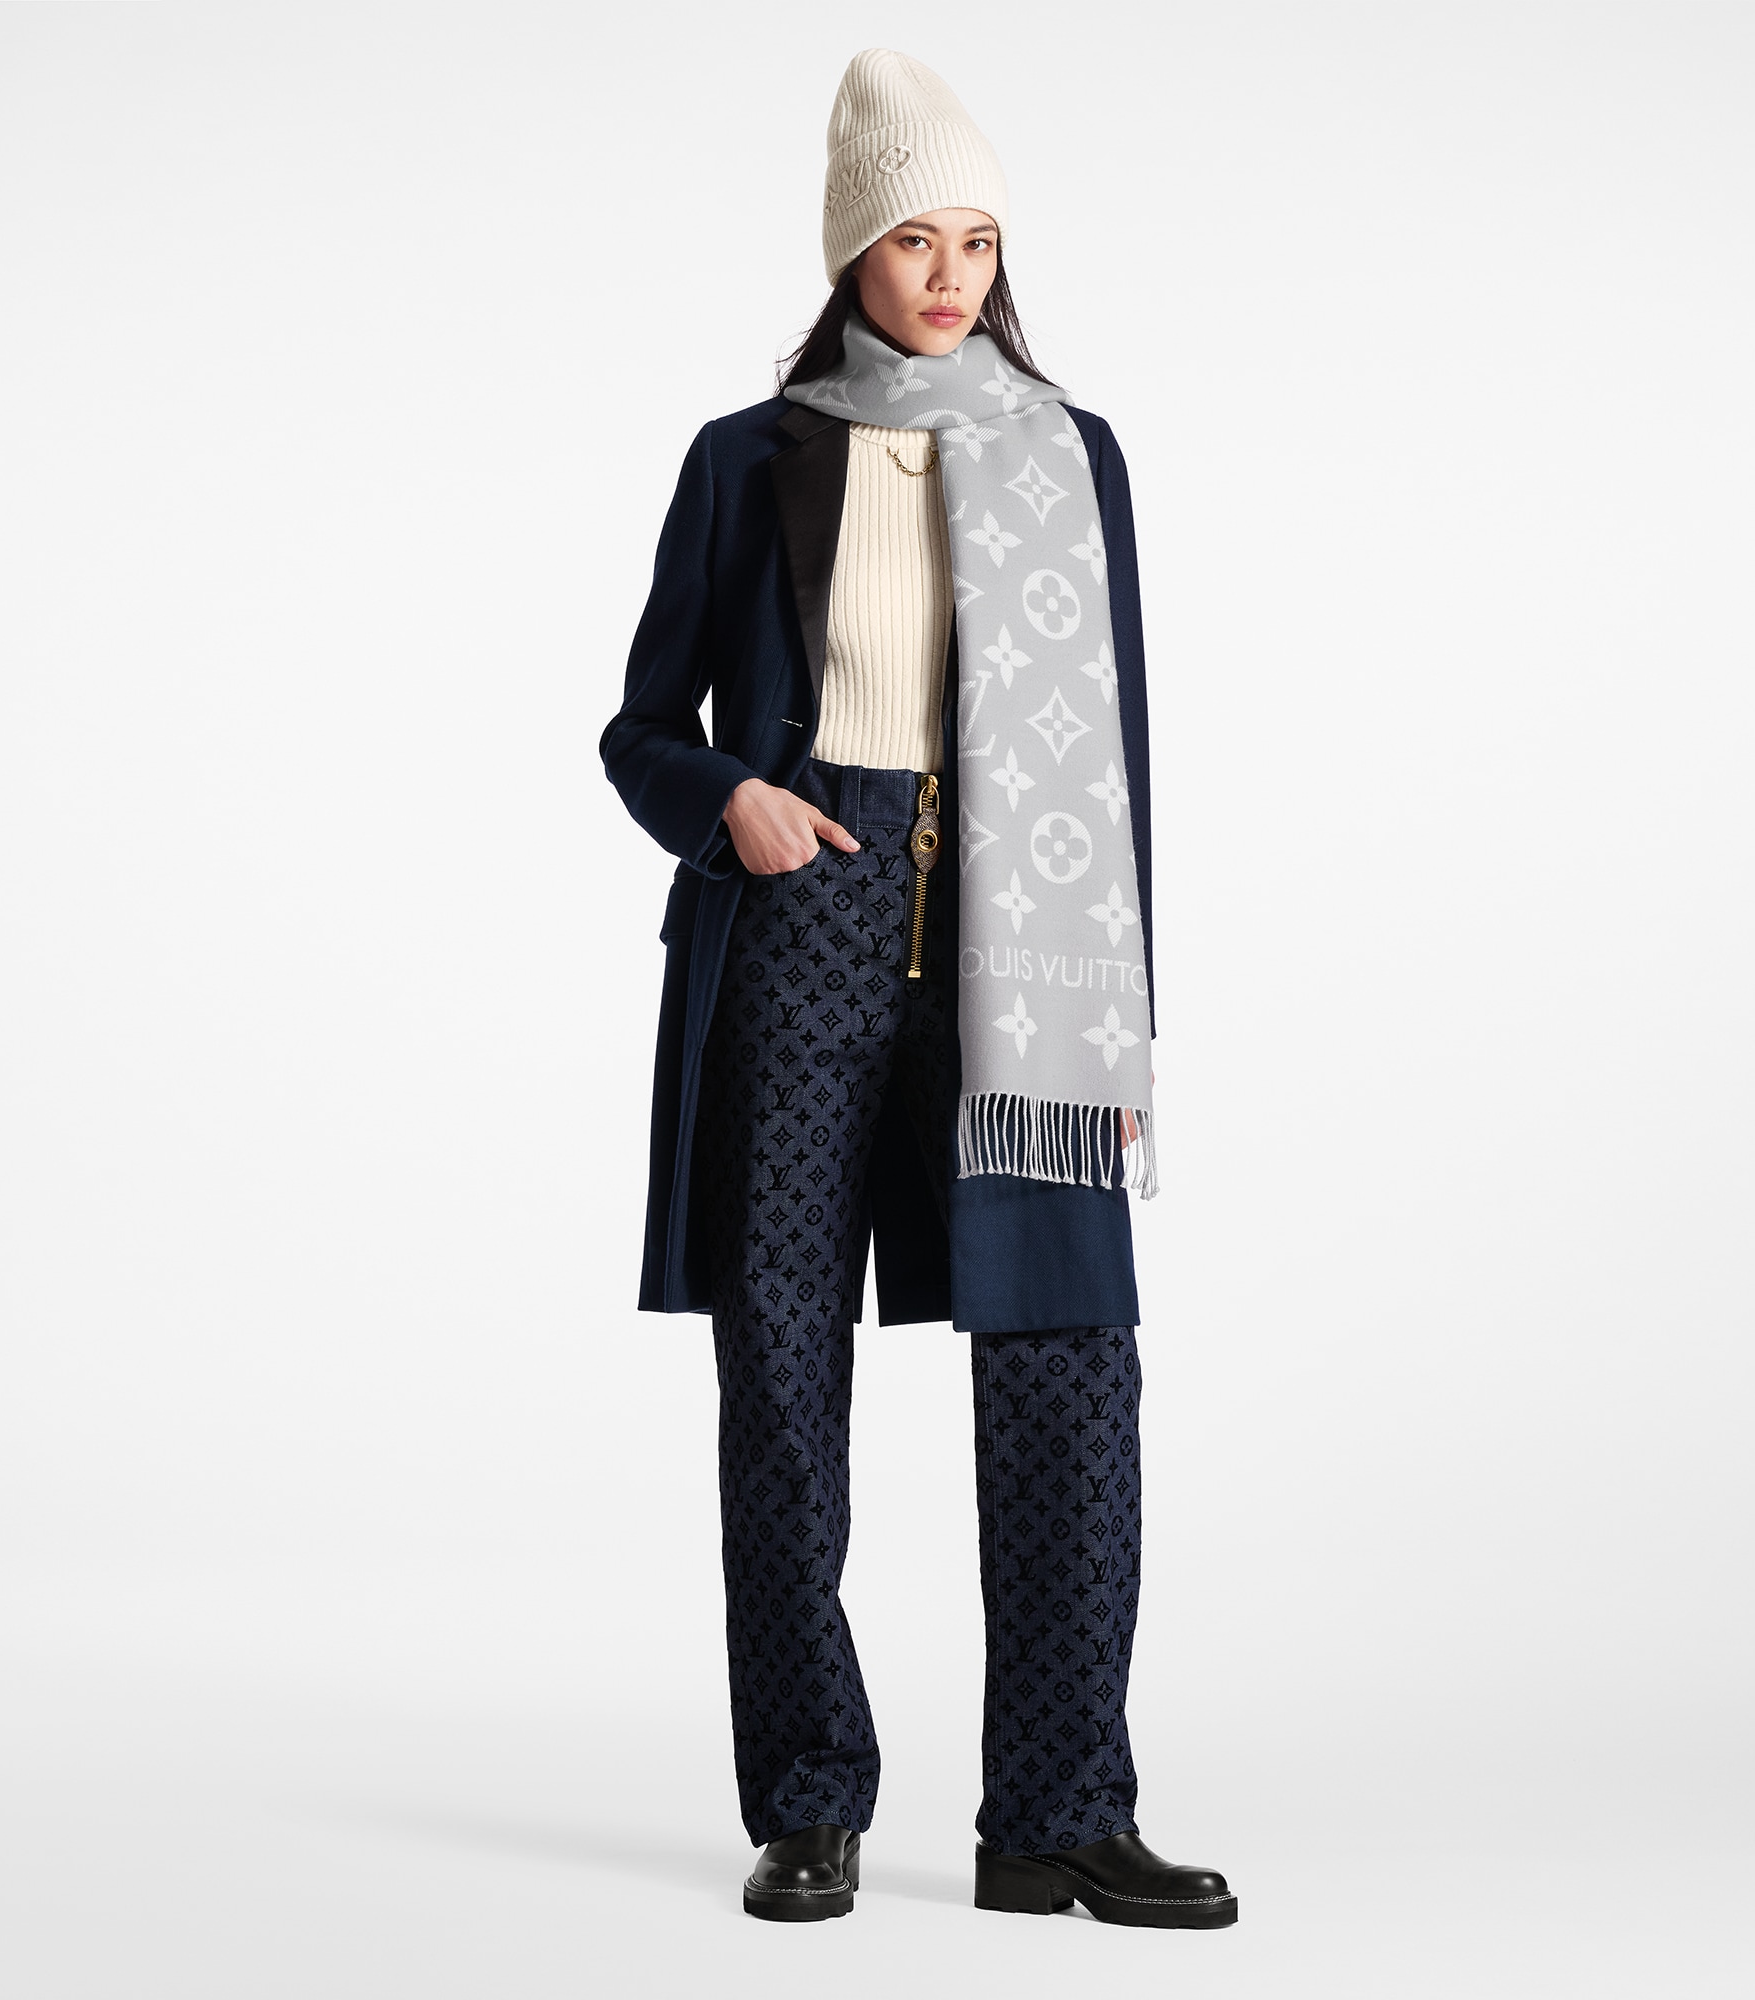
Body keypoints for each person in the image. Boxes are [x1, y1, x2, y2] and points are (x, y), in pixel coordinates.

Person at [600, 48, 1234, 1931]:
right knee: (783, 1368)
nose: (950, 277)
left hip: (1022, 946)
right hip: (805, 906)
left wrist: (1122, 1004)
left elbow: (1116, 748)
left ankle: (1059, 1810)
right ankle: (808, 1799)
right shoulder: (750, 457)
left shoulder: (1070, 455)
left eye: (979, 241)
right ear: (849, 252)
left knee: (1068, 1363)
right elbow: (639, 729)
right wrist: (735, 803)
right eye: (911, 240)